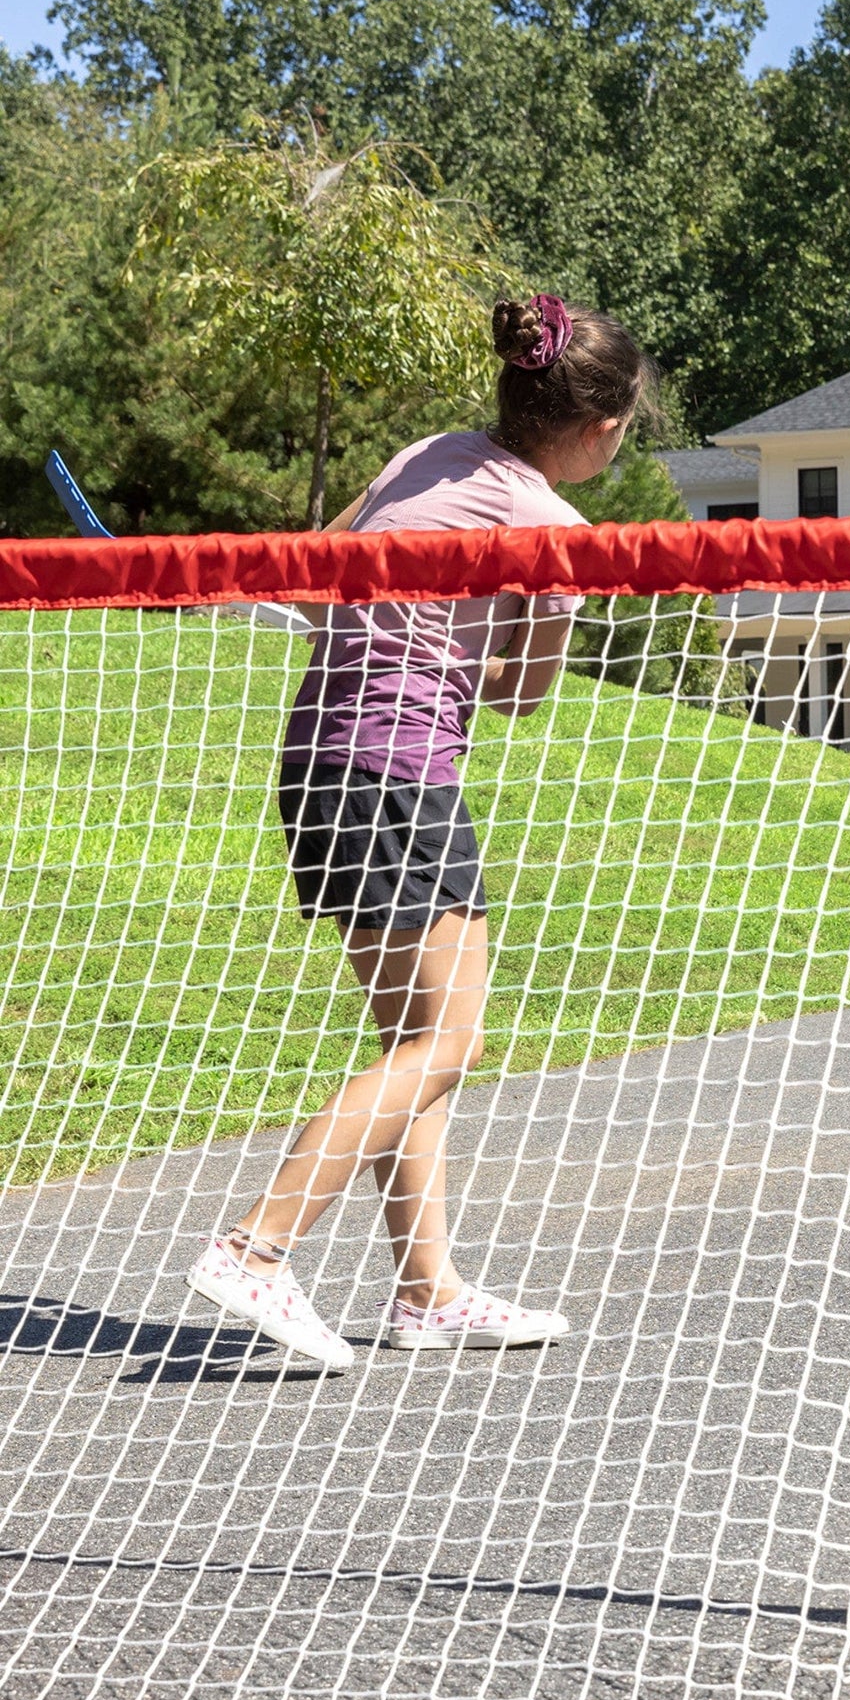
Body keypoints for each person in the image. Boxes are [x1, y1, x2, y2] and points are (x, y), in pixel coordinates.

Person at [186, 293, 652, 1370]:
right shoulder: (549, 530)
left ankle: (427, 1292)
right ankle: (258, 1247)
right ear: (601, 428)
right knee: (451, 1041)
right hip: (396, 773)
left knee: (417, 1048)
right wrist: (487, 648)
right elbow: (520, 697)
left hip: (316, 764)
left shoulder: (424, 454)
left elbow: (321, 579)